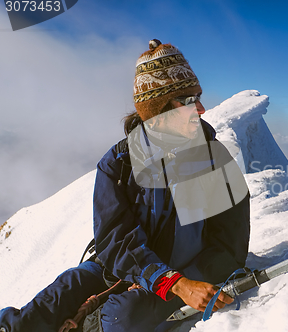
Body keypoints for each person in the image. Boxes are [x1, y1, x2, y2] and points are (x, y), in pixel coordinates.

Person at [0, 39, 251, 332]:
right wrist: (163, 278)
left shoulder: (212, 160)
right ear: (158, 111)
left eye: (198, 96)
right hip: (123, 270)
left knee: (122, 315)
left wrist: (182, 282)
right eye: (187, 100)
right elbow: (115, 239)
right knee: (62, 292)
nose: (202, 108)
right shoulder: (120, 164)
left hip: (186, 272)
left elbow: (228, 245)